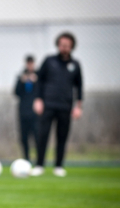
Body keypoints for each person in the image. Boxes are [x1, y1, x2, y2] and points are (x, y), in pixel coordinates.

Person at [32, 32, 83, 177]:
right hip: (48, 104)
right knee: (42, 135)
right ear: (58, 45)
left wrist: (78, 106)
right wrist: (38, 99)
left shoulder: (75, 65)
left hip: (65, 106)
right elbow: (39, 81)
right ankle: (39, 165)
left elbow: (79, 86)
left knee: (62, 137)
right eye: (62, 45)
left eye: (67, 45)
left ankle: (59, 166)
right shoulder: (49, 61)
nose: (64, 48)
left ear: (72, 46)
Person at [14, 55, 38, 162]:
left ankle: (39, 160)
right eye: (28, 63)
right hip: (23, 112)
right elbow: (16, 93)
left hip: (36, 112)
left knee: (37, 136)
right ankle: (26, 159)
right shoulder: (21, 76)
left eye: (31, 63)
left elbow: (43, 92)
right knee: (24, 138)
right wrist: (22, 81)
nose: (30, 65)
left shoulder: (39, 76)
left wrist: (36, 81)